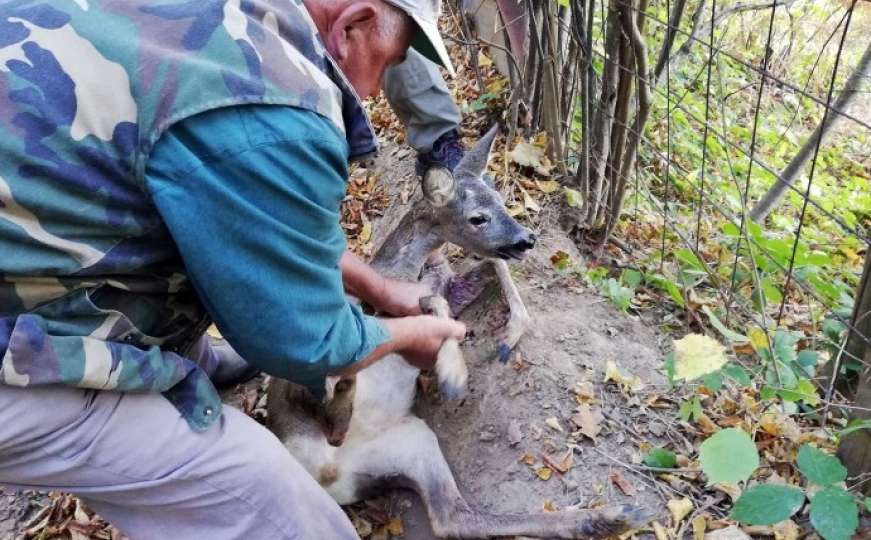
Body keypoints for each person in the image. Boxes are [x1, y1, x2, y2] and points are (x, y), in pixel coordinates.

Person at [0, 0, 466, 538]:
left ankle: (188, 355)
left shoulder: (228, 30)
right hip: (17, 345)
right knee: (280, 513)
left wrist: (377, 285)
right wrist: (413, 335)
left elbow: (244, 206)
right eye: (387, 64)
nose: (373, 91)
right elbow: (305, 343)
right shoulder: (277, 102)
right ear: (354, 26)